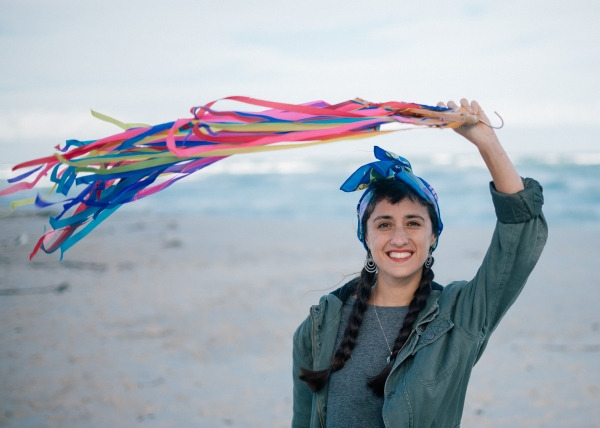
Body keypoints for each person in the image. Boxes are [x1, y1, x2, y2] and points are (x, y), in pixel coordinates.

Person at [292, 99, 548, 427]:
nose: (399, 238)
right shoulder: (319, 326)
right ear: (366, 237)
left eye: (413, 223)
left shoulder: (461, 315)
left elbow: (521, 233)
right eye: (384, 224)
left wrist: (486, 140)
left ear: (433, 237)